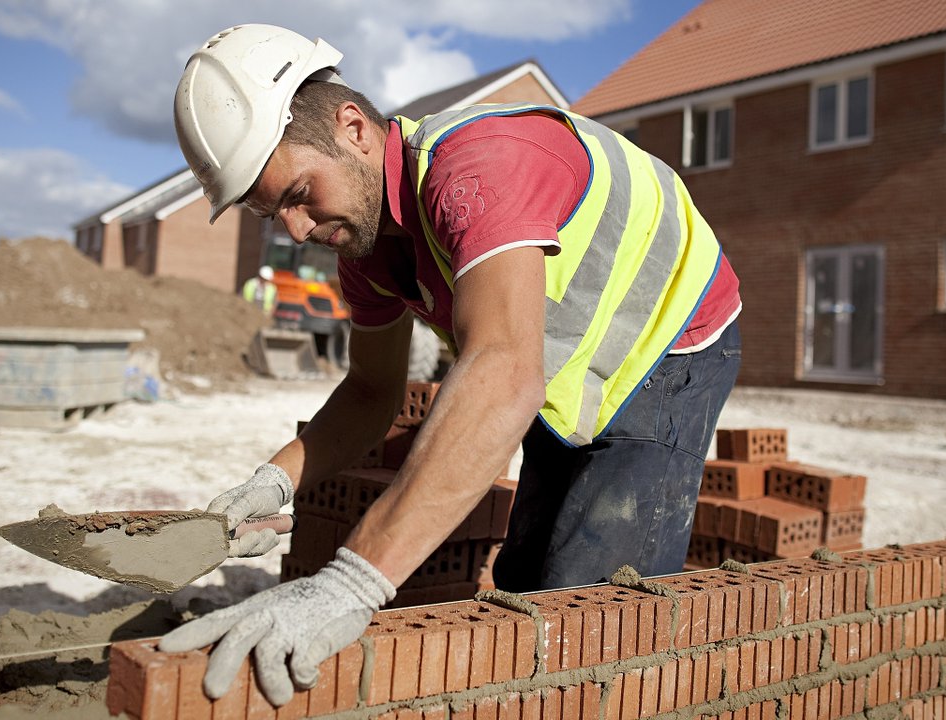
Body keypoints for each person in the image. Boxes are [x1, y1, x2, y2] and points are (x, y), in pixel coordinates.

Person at [161, 24, 743, 707]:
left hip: (675, 336)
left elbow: (505, 370)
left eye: (298, 194)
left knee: (591, 615)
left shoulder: (474, 169)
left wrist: (353, 580)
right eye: (273, 215)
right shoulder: (366, 249)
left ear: (353, 128)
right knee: (528, 582)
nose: (297, 230)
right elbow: (371, 390)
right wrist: (272, 482)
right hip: (573, 363)